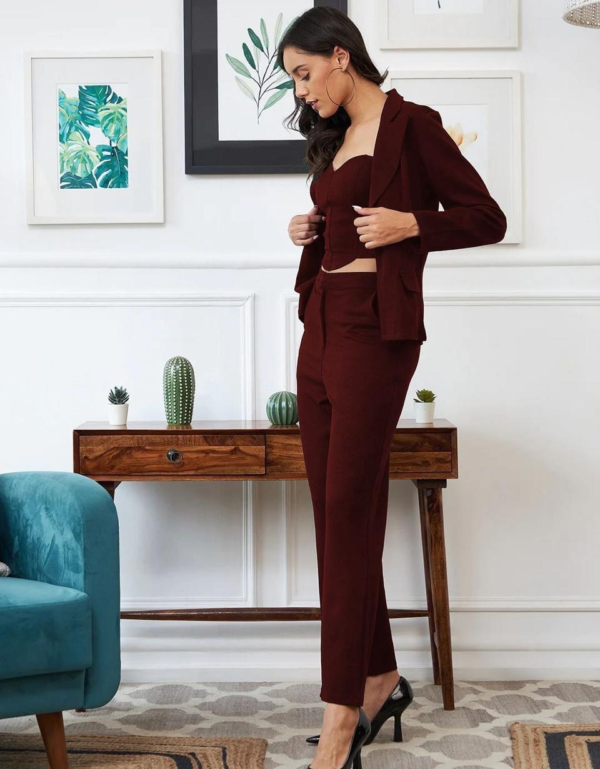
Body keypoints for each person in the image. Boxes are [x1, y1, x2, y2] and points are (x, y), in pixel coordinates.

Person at [278, 8, 507, 769]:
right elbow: (343, 216)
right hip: (319, 327)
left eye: (305, 73)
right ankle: (380, 677)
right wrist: (311, 227)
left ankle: (342, 715)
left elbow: (486, 217)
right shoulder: (337, 134)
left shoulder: (414, 125)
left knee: (347, 514)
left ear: (341, 56)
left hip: (375, 333)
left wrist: (412, 223)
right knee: (335, 515)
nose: (302, 91)